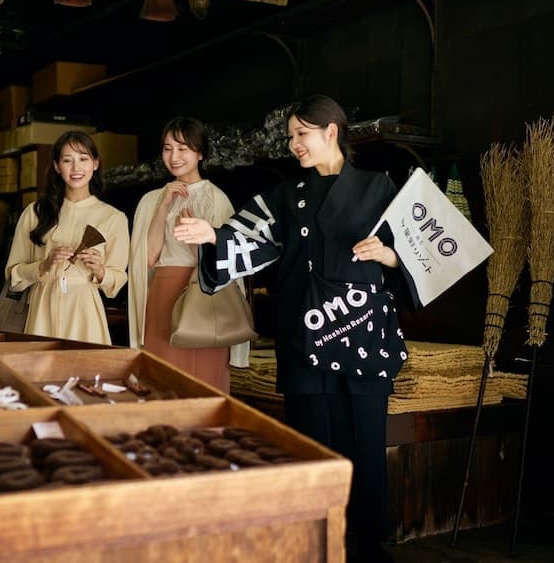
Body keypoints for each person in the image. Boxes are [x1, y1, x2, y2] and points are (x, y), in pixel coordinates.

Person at [173, 95, 404, 563]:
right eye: (290, 136)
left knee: (365, 442)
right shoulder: (286, 194)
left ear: (331, 131)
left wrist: (389, 256)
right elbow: (248, 237)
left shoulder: (379, 187)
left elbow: (420, 252)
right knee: (311, 442)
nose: (294, 144)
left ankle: (367, 545)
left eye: (301, 134)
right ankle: (314, 540)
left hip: (362, 332)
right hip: (305, 333)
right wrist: (213, 236)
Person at [127, 117, 249, 394]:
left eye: (183, 148)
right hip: (163, 293)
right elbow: (148, 258)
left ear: (200, 153)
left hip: (206, 295)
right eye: (168, 148)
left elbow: (229, 260)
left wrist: (197, 237)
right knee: (162, 377)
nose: (174, 157)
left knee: (205, 377)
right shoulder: (150, 200)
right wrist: (163, 207)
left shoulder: (217, 198)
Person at [5, 131, 128, 345]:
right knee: (40, 364)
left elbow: (116, 281)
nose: (76, 168)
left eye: (83, 159)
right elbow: (13, 276)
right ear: (56, 166)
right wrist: (44, 266)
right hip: (42, 308)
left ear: (95, 164)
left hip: (85, 311)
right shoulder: (35, 212)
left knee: (83, 364)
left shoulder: (113, 217)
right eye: (67, 160)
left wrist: (100, 270)